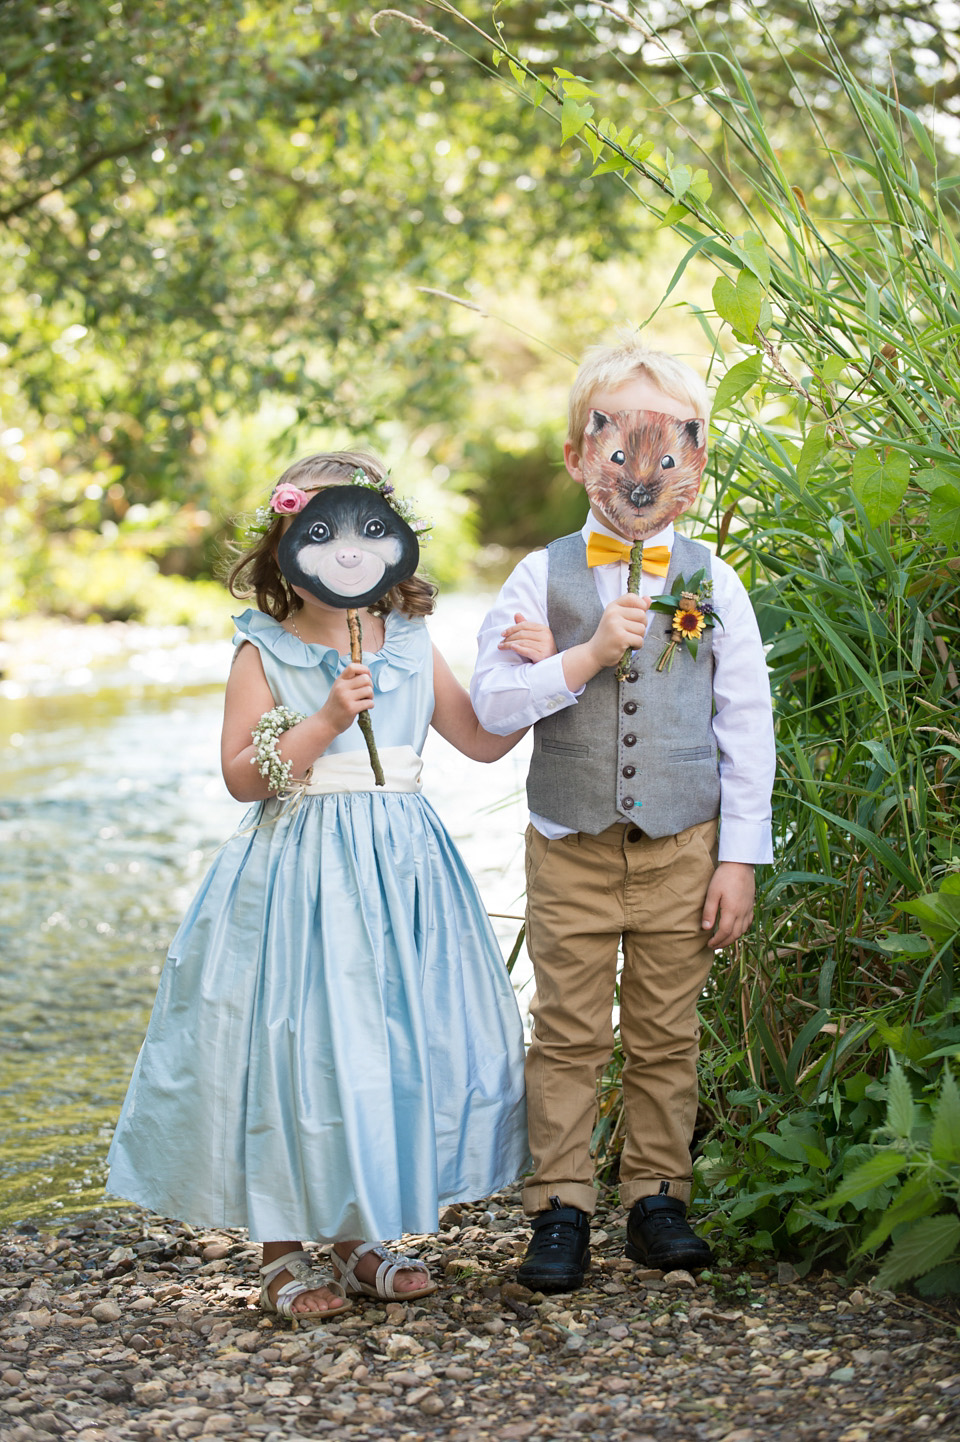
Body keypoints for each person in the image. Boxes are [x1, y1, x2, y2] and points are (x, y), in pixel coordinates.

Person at [107, 451, 529, 1321]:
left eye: (366, 536)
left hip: (405, 868)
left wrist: (542, 662)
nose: (346, 557)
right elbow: (242, 776)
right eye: (322, 536)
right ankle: (281, 1248)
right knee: (297, 1046)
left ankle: (358, 1232)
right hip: (300, 869)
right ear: (288, 546)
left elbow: (484, 743)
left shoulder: (409, 642)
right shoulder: (263, 650)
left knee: (383, 1044)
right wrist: (328, 719)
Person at [470, 336, 775, 1292]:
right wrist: (579, 655)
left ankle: (657, 1198)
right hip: (571, 846)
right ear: (579, 457)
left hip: (684, 844)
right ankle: (559, 1204)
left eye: (667, 447)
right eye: (617, 443)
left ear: (692, 462)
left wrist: (741, 857)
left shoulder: (712, 580)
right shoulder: (538, 578)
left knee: (666, 1028)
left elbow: (746, 719)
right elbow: (488, 705)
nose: (640, 467)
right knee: (567, 1029)